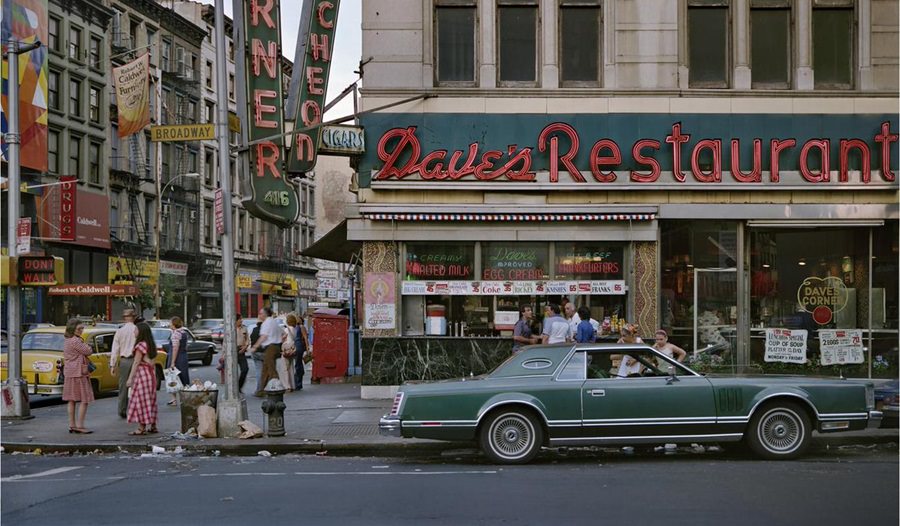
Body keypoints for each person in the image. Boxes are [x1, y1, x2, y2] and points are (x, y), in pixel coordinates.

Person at [126, 321, 159, 435]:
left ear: (141, 332)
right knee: (150, 399)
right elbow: (152, 362)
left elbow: (136, 362)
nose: (134, 331)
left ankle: (141, 427)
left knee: (141, 400)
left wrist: (130, 378)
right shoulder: (151, 344)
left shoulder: (140, 345)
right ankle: (153, 425)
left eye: (135, 330)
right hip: (150, 375)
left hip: (142, 375)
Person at [62, 319, 94, 434]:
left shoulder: (67, 340)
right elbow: (88, 351)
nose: (81, 330)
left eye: (82, 328)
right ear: (73, 329)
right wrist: (87, 345)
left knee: (71, 400)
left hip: (69, 373)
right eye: (79, 329)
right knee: (84, 399)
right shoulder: (76, 341)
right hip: (79, 373)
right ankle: (80, 425)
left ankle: (72, 425)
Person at [109, 308, 137, 418]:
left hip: (124, 360)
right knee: (136, 386)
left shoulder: (120, 331)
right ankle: (135, 409)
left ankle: (122, 409)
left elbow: (115, 349)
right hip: (135, 359)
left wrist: (113, 364)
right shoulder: (137, 330)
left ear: (125, 318)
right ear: (134, 317)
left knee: (123, 387)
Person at [249, 307, 283, 396]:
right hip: (275, 347)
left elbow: (263, 336)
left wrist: (255, 347)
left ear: (265, 314)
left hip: (270, 347)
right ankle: (261, 390)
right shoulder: (274, 322)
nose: (259, 315)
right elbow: (283, 333)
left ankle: (276, 386)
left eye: (261, 313)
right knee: (265, 368)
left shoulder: (266, 323)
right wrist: (279, 341)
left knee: (270, 368)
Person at [166, 316, 190, 406]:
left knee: (173, 377)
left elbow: (175, 348)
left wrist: (172, 362)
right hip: (183, 356)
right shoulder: (183, 332)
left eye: (170, 323)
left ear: (174, 324)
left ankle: (173, 399)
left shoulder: (175, 333)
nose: (169, 324)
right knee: (184, 377)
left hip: (177, 357)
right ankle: (186, 397)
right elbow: (185, 346)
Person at [280, 314, 299, 392]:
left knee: (285, 369)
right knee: (291, 368)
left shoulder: (286, 329)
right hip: (292, 349)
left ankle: (287, 386)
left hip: (286, 349)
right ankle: (292, 385)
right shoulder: (294, 329)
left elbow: (284, 339)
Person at [292, 313, 309, 390]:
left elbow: (305, 337)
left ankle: (298, 382)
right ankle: (297, 382)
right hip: (296, 345)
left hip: (299, 346)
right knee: (298, 364)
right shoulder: (295, 327)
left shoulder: (301, 327)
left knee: (298, 364)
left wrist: (307, 347)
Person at [236, 313, 250, 392]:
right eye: (239, 319)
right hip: (232, 351)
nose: (241, 320)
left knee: (245, 369)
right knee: (232, 371)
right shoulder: (230, 328)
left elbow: (248, 340)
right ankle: (233, 388)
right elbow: (225, 342)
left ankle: (239, 386)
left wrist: (245, 347)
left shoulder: (244, 328)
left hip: (242, 351)